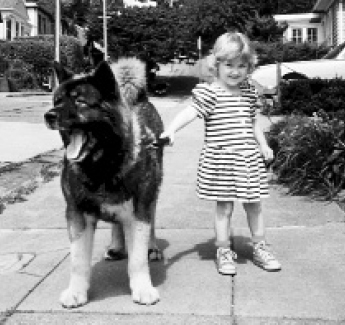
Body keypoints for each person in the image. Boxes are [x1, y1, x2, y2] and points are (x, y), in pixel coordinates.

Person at [160, 32, 281, 275]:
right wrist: (171, 129)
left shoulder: (248, 91)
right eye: (229, 65)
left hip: (247, 159)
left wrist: (264, 145)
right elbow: (190, 112)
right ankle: (224, 251)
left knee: (254, 205)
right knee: (224, 208)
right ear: (217, 65)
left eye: (241, 65)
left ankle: (260, 247)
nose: (235, 71)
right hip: (222, 160)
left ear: (249, 66)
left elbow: (252, 122)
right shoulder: (209, 92)